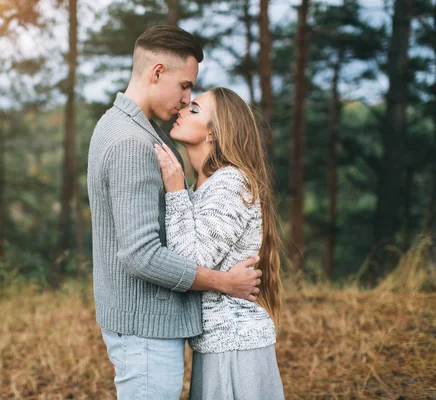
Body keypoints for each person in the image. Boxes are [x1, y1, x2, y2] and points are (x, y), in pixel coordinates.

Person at [87, 26, 263, 399]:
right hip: (145, 330)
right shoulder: (132, 142)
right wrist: (224, 282)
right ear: (157, 73)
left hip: (145, 324)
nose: (186, 99)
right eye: (184, 86)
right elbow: (141, 255)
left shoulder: (126, 127)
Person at [154, 87, 285, 400]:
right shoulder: (209, 185)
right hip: (220, 342)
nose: (182, 108)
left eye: (195, 109)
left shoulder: (230, 182)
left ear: (213, 132)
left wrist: (174, 190)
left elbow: (191, 260)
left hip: (234, 345)